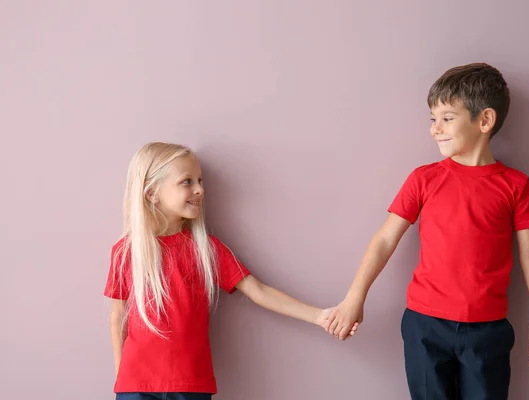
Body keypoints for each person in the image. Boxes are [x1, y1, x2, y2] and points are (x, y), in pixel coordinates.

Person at [324, 63, 529, 399]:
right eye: (433, 119)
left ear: (485, 120)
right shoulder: (424, 179)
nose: (435, 129)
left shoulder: (516, 186)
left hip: (488, 330)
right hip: (424, 325)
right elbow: (386, 238)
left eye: (447, 118)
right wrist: (354, 298)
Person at [104, 142, 357, 400]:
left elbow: (258, 291)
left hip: (192, 386)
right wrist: (121, 377)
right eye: (187, 181)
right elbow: (118, 318)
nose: (200, 189)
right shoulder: (126, 252)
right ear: (151, 193)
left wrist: (319, 316)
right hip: (135, 386)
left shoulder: (207, 249)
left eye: (200, 180)